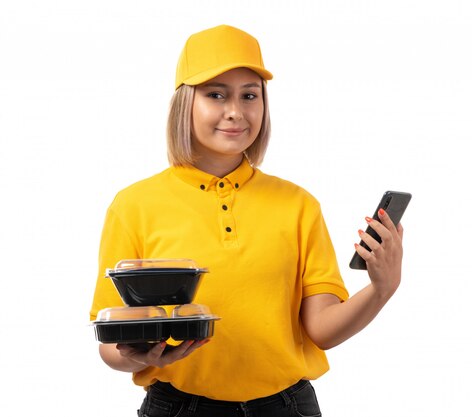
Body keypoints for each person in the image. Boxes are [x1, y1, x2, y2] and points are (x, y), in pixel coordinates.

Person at [90, 24, 405, 417]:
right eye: (215, 94)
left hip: (288, 407)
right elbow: (110, 344)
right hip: (178, 409)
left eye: (249, 95)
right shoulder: (134, 205)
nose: (235, 111)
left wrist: (381, 289)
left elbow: (321, 330)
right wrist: (141, 357)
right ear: (185, 102)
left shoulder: (298, 205)